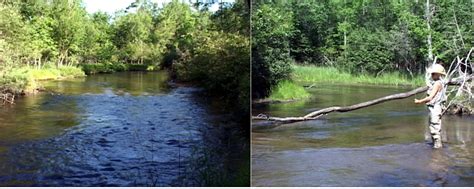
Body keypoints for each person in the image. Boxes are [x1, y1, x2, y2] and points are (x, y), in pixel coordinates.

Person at [414, 64, 447, 149]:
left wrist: (419, 101)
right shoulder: (438, 82)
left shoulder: (437, 84)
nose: (432, 75)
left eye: (433, 74)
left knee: (434, 128)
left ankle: (438, 148)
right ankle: (435, 147)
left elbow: (430, 97)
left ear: (438, 74)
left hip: (436, 108)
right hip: (436, 108)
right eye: (431, 74)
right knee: (433, 127)